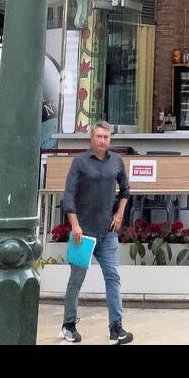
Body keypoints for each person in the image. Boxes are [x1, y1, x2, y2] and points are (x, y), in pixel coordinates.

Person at [60, 121, 133, 346]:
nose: (103, 140)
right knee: (76, 280)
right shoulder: (79, 162)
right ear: (91, 138)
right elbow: (68, 196)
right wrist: (74, 224)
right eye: (99, 136)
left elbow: (126, 190)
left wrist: (119, 213)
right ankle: (69, 325)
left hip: (108, 232)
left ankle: (116, 328)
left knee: (113, 278)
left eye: (107, 137)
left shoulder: (117, 161)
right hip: (83, 233)